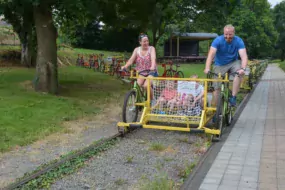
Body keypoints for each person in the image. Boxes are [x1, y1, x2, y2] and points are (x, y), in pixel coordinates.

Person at [204, 24, 248, 106]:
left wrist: (243, 68)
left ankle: (233, 97)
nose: (228, 37)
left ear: (234, 33)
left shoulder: (238, 41)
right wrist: (207, 68)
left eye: (230, 34)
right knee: (216, 88)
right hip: (219, 64)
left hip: (233, 62)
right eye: (226, 34)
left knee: (239, 73)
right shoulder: (218, 40)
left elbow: (244, 56)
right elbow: (211, 55)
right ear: (223, 33)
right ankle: (216, 110)